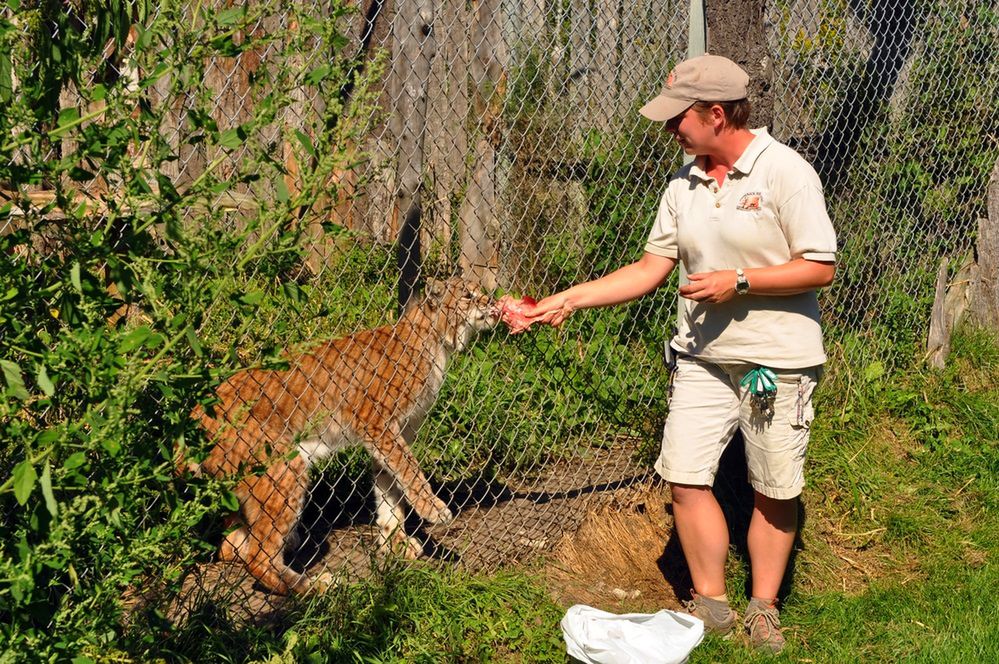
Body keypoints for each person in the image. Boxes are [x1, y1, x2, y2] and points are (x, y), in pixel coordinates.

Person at [513, 54, 837, 653]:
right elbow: (648, 269)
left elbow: (819, 265)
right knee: (684, 478)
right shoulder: (682, 184)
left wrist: (738, 281)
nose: (669, 130)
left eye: (678, 118)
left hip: (777, 361)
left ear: (717, 114)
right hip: (701, 357)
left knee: (774, 487)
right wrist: (563, 302)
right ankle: (711, 604)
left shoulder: (785, 173)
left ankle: (763, 607)